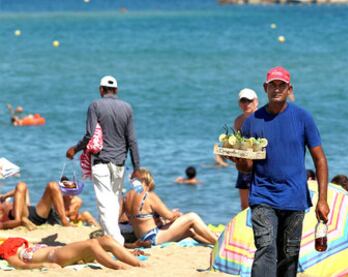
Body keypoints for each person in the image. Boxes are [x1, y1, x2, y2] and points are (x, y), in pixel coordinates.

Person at [233, 66, 330, 277]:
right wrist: (238, 161)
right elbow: (247, 167)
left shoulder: (303, 118)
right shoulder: (252, 122)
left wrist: (323, 199)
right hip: (263, 196)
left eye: (281, 85)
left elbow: (320, 159)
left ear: (289, 88)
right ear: (265, 88)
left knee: (289, 255)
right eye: (273, 85)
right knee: (266, 248)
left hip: (295, 198)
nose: (277, 89)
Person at [66, 75, 141, 245]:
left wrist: (75, 149)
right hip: (120, 164)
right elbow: (132, 140)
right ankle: (112, 239)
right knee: (114, 202)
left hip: (101, 162)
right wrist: (137, 166)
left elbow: (90, 134)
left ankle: (116, 242)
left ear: (101, 89)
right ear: (116, 90)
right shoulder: (127, 108)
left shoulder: (95, 105)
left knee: (104, 204)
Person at [123, 168, 217, 246]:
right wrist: (176, 214)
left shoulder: (126, 197)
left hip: (142, 238)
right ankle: (219, 243)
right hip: (153, 237)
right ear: (145, 180)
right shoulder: (148, 195)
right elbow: (169, 216)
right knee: (192, 217)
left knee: (189, 231)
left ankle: (211, 243)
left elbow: (128, 217)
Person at [0, 235, 143, 270]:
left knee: (106, 239)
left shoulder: (17, 240)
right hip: (54, 257)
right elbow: (17, 265)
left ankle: (138, 265)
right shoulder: (5, 249)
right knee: (92, 243)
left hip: (62, 253)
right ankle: (119, 268)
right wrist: (43, 264)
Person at [234, 88, 259, 210]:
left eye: (249, 101)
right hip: (244, 167)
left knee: (261, 204)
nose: (246, 104)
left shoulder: (263, 118)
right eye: (243, 101)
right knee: (244, 206)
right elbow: (236, 144)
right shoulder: (238, 121)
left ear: (256, 102)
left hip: (261, 166)